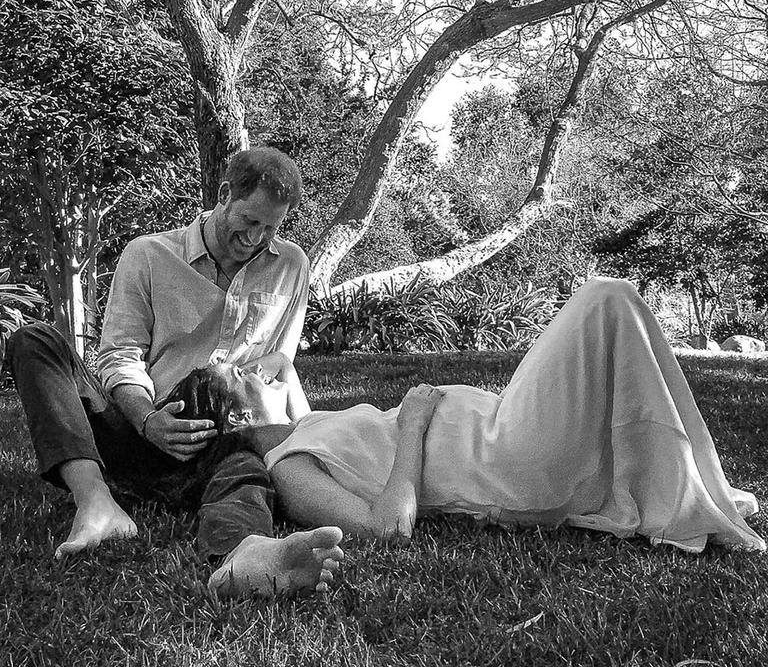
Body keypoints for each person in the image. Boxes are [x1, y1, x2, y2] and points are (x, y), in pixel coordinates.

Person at [181, 277, 766, 554]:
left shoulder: (305, 424)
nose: (260, 369)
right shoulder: (289, 468)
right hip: (507, 457)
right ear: (236, 422)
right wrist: (411, 423)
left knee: (614, 330)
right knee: (605, 301)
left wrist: (264, 376)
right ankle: (693, 498)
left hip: (504, 423)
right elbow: (388, 528)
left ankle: (690, 485)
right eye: (243, 375)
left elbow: (284, 366)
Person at [4, 147, 343, 599]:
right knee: (35, 340)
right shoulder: (148, 255)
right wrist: (147, 419)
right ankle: (96, 502)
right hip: (139, 430)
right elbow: (119, 356)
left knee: (243, 473)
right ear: (224, 194)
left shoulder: (291, 265)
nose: (257, 237)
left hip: (223, 443)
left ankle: (244, 555)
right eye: (249, 220)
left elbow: (277, 366)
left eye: (271, 227)